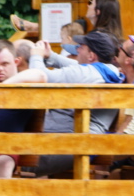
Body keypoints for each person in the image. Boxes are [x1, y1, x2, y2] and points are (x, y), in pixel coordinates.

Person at [14, 30, 124, 178]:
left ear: (91, 56)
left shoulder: (87, 73)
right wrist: (50, 56)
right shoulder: (108, 72)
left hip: (65, 145)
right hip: (79, 142)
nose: (77, 50)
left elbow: (37, 76)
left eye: (81, 47)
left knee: (4, 156)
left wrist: (36, 55)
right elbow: (75, 66)